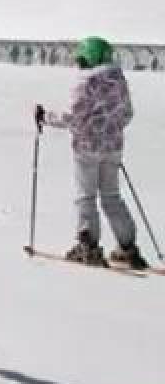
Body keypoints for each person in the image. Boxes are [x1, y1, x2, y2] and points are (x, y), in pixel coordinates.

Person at [38, 36, 147, 269]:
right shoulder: (119, 80)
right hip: (113, 148)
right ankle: (128, 247)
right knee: (112, 197)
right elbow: (127, 113)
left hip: (87, 148)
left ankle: (88, 246)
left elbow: (71, 117)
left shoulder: (85, 83)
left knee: (86, 197)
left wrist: (44, 117)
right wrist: (111, 130)